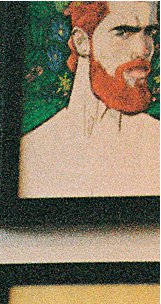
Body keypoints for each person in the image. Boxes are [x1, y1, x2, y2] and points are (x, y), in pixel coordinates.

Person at [19, 1, 159, 198]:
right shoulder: (34, 149)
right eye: (123, 32)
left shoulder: (155, 140)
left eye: (150, 33)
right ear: (82, 42)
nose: (144, 50)